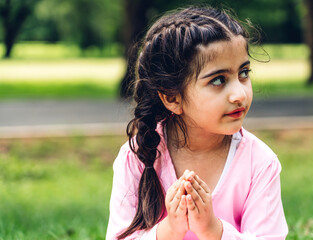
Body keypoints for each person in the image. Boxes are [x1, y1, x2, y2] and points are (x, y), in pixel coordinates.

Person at [106, 6, 288, 240]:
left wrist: (213, 230)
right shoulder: (138, 157)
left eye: (243, 73)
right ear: (172, 97)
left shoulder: (260, 163)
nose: (239, 94)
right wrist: (170, 230)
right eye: (219, 80)